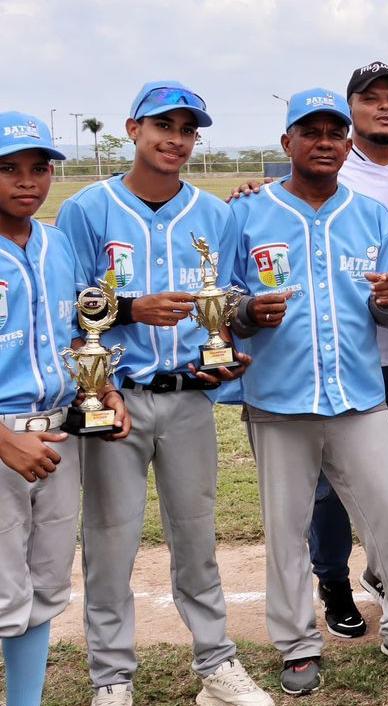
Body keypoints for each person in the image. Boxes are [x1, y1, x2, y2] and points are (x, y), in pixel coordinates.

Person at [57, 81, 272, 706]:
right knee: (111, 540)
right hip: (113, 399)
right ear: (133, 129)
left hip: (187, 397)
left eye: (187, 130)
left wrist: (229, 343)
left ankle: (217, 666)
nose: (175, 140)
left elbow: (226, 298)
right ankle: (112, 678)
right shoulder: (87, 209)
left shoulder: (213, 212)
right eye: (163, 127)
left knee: (196, 537)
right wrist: (130, 305)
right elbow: (67, 304)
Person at [228, 88, 388, 694]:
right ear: (287, 142)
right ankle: (297, 644)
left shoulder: (370, 216)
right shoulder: (246, 214)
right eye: (311, 131)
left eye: (333, 132)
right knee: (286, 528)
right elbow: (219, 307)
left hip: (358, 393)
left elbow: (382, 309)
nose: (324, 142)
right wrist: (246, 312)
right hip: (277, 398)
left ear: (346, 143)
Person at [290, 59, 388, 641]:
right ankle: (332, 578)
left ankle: (382, 571)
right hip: (335, 360)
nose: (385, 107)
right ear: (350, 109)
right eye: (371, 98)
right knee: (331, 485)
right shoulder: (331, 164)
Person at [0, 111, 130, 706]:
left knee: (43, 587)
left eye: (38, 168)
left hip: (58, 441)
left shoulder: (56, 247)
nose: (27, 181)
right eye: (8, 169)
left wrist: (105, 390)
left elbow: (79, 336)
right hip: (6, 440)